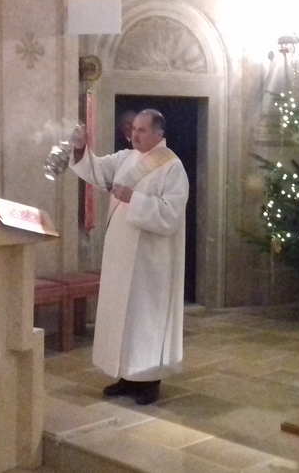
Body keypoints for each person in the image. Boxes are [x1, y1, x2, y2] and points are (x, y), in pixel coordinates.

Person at [69, 109, 189, 405]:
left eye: (142, 130)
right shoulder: (125, 158)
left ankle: (149, 381)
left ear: (159, 134)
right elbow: (97, 171)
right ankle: (125, 375)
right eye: (133, 128)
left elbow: (171, 214)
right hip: (121, 256)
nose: (135, 134)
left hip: (150, 260)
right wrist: (81, 147)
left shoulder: (172, 167)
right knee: (122, 316)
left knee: (144, 318)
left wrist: (133, 198)